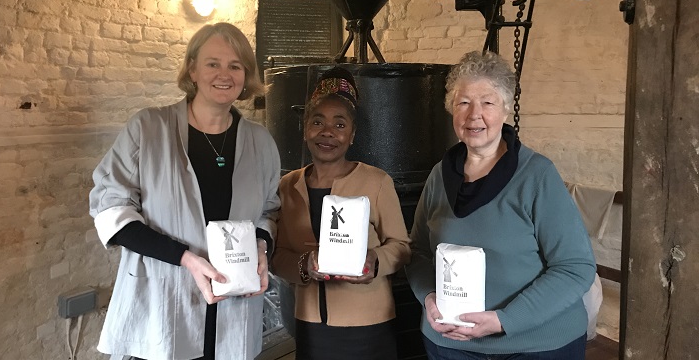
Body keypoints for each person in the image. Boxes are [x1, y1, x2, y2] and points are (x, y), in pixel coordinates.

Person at [88, 22, 280, 360]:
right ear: (192, 68)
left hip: (233, 304)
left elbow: (269, 209)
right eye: (213, 63)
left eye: (235, 66)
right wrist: (186, 259)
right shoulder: (148, 129)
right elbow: (111, 209)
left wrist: (262, 247)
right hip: (163, 300)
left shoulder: (260, 141)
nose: (225, 74)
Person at [405, 51, 596, 359]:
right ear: (451, 110)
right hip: (452, 344)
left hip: (535, 346)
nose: (474, 115)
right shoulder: (440, 175)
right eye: (463, 102)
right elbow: (418, 251)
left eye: (488, 102)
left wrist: (504, 321)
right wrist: (428, 297)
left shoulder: (536, 175)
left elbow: (575, 268)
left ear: (506, 109)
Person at [271, 67, 412, 360]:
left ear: (352, 134)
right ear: (305, 128)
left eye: (339, 124)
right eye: (318, 122)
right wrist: (303, 265)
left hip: (369, 324)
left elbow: (401, 247)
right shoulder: (288, 186)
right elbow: (278, 255)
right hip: (311, 325)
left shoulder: (376, 181)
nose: (327, 132)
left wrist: (374, 262)